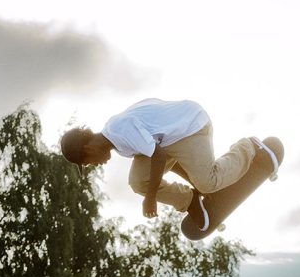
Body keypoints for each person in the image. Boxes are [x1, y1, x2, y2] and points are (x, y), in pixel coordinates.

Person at [59, 98, 279, 230]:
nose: (96, 165)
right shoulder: (119, 144)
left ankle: (250, 147)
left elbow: (160, 158)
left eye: (88, 163)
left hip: (191, 127)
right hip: (170, 141)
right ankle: (191, 200)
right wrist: (195, 190)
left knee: (208, 181)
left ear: (87, 150)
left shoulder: (120, 129)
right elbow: (168, 161)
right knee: (138, 181)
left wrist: (151, 199)